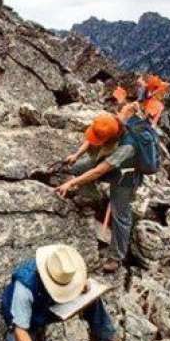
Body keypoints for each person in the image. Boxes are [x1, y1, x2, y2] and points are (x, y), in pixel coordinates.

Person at [0, 244, 134, 341]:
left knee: (91, 299)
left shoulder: (62, 267)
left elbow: (81, 282)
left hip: (49, 304)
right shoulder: (24, 289)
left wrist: (80, 286)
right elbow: (20, 329)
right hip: (30, 316)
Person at [55, 103, 141, 273]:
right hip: (108, 158)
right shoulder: (110, 122)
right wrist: (77, 155)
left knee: (120, 213)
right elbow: (91, 138)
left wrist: (71, 183)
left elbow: (98, 171)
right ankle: (92, 198)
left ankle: (116, 257)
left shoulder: (128, 146)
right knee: (78, 168)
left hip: (126, 172)